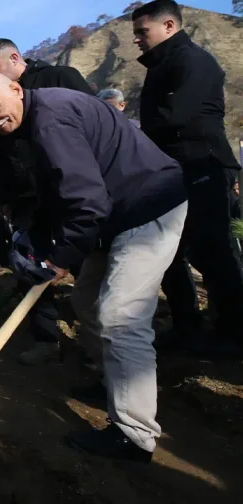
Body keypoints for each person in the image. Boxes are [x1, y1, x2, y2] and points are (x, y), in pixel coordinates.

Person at [0, 71, 187, 463]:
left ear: (17, 91)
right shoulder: (33, 120)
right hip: (115, 214)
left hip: (147, 204)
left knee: (121, 315)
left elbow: (86, 201)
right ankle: (113, 383)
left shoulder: (51, 119)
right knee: (87, 302)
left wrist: (60, 260)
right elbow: (56, 192)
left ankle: (134, 434)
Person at [133, 0, 243, 351]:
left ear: (169, 26)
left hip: (202, 165)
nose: (136, 39)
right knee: (170, 251)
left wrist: (135, 138)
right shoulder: (165, 63)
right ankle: (187, 326)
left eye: (142, 31)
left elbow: (176, 116)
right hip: (174, 169)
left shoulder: (193, 61)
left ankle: (233, 332)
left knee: (213, 250)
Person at [0, 38, 94, 366]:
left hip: (70, 190)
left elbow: (93, 123)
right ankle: (45, 338)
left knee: (87, 264)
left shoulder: (58, 79)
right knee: (31, 266)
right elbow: (2, 152)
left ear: (14, 57)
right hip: (28, 199)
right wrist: (6, 197)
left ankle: (93, 342)